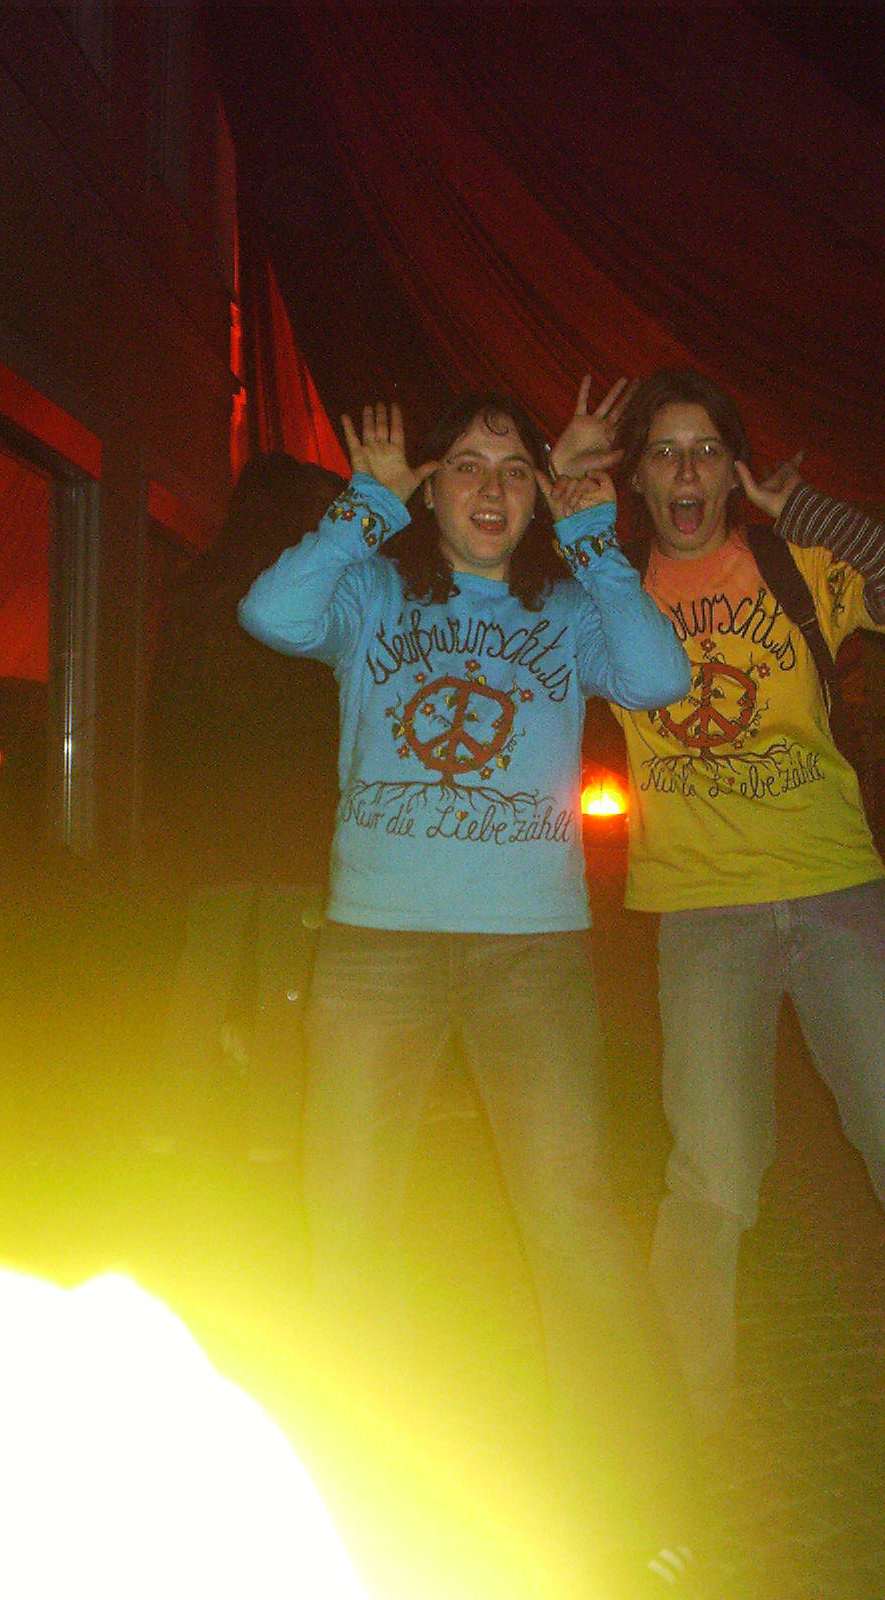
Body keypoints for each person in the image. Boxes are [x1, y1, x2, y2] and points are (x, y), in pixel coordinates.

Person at [553, 369, 885, 1491]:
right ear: (635, 477)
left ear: (734, 467)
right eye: (662, 452)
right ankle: (677, 1427)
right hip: (701, 909)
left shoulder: (797, 564)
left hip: (836, 889)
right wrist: (566, 493)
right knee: (713, 1178)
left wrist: (809, 509)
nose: (685, 471)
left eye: (705, 449)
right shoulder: (608, 588)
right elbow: (522, 626)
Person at [238, 395, 701, 1593]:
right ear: (432, 490)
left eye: (513, 471)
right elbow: (269, 612)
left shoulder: (566, 610)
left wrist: (592, 531)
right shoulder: (371, 596)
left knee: (574, 1219)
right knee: (348, 1217)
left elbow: (659, 675)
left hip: (528, 953)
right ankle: (353, 1486)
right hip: (377, 946)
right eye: (465, 467)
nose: (491, 489)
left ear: (537, 497)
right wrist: (365, 501)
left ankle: (632, 1495)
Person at [144, 453, 344, 1163]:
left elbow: (168, 709)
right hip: (293, 817)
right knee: (285, 987)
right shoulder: (306, 590)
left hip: (215, 819)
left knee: (202, 974)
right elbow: (325, 716)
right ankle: (271, 1140)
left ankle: (169, 1128)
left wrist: (173, 808)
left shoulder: (199, 585)